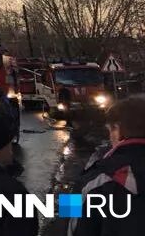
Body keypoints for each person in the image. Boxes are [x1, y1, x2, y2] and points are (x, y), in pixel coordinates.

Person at [67, 95, 145, 236]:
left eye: (110, 130)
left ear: (117, 129)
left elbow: (69, 222)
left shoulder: (93, 178)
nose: (110, 137)